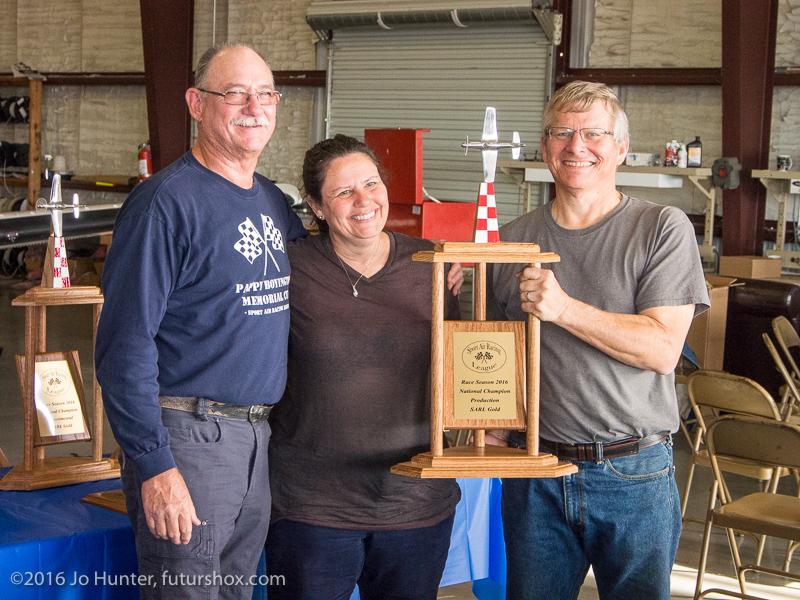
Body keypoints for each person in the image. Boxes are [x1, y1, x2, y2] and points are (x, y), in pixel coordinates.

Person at [95, 43, 306, 599]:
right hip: (189, 439)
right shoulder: (164, 204)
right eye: (235, 93)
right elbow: (124, 346)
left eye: (265, 94)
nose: (254, 107)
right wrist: (155, 466)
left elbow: (331, 270)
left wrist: (417, 263)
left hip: (257, 436)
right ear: (196, 103)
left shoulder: (271, 201)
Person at [487, 81, 709, 599]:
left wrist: (563, 309)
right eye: (562, 133)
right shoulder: (510, 240)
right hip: (536, 471)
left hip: (632, 472)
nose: (576, 146)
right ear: (545, 147)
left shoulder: (661, 228)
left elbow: (662, 349)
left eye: (593, 134)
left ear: (621, 147)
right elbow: (496, 354)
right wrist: (488, 425)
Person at [265, 134, 462, 600]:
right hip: (311, 508)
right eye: (343, 191)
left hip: (415, 504)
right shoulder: (287, 268)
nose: (363, 201)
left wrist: (492, 425)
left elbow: (463, 367)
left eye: (371, 184)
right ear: (316, 206)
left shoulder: (433, 264)